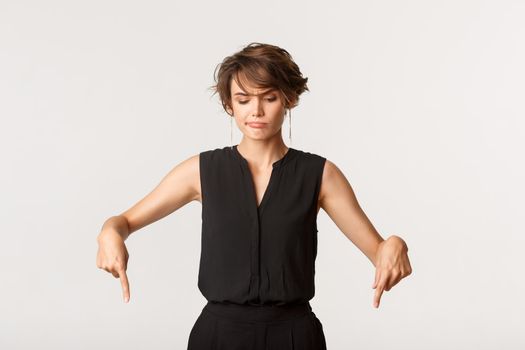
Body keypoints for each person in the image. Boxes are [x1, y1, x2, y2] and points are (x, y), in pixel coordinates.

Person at [96, 42, 412, 349]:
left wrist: (395, 244)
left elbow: (379, 250)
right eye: (243, 99)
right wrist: (109, 232)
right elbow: (123, 221)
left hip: (294, 335)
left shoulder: (320, 174)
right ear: (229, 105)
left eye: (270, 98)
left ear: (289, 99)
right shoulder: (201, 171)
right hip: (218, 335)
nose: (256, 111)